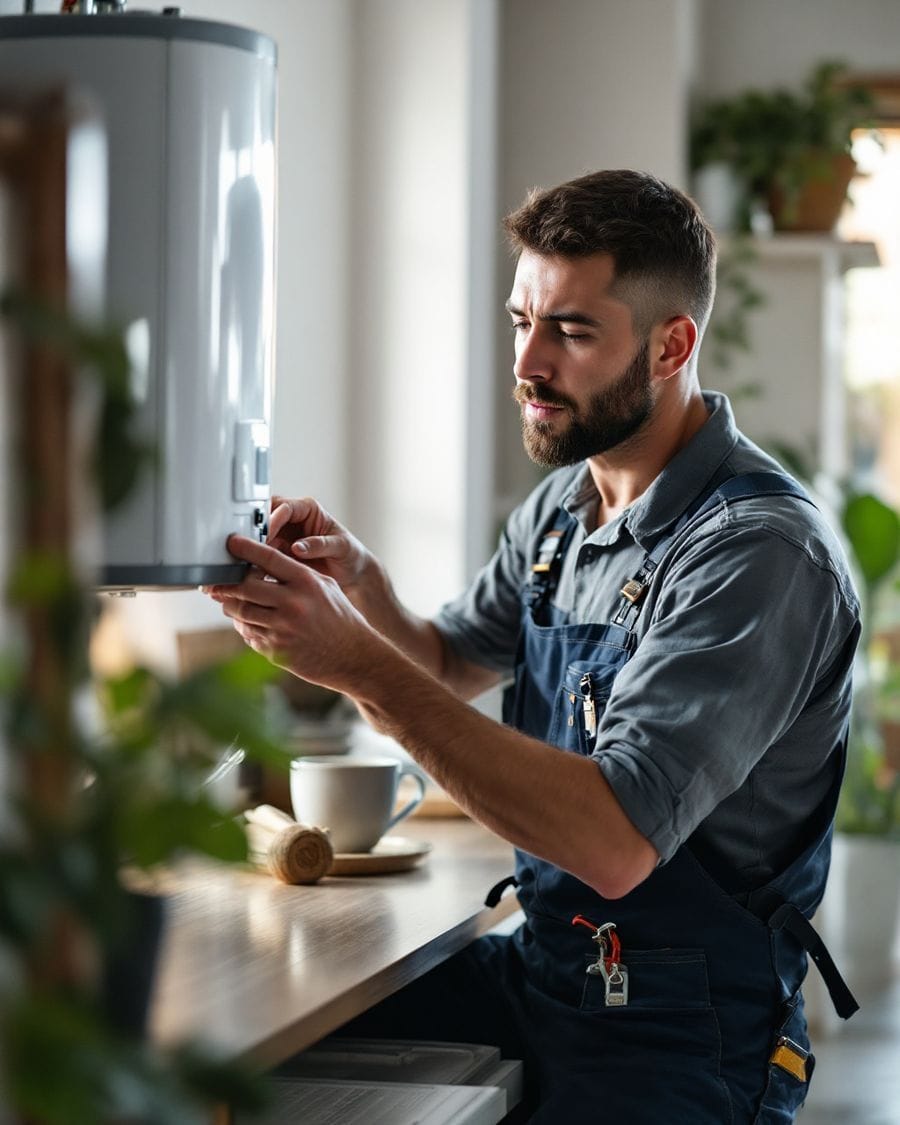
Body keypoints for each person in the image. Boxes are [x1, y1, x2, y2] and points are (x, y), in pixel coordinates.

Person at [204, 169, 861, 1122]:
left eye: (573, 330)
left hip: (686, 1029)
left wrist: (349, 658)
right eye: (522, 320)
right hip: (552, 965)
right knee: (248, 1047)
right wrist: (359, 585)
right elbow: (452, 661)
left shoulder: (759, 554)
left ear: (672, 344)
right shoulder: (565, 506)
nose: (528, 362)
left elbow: (613, 839)